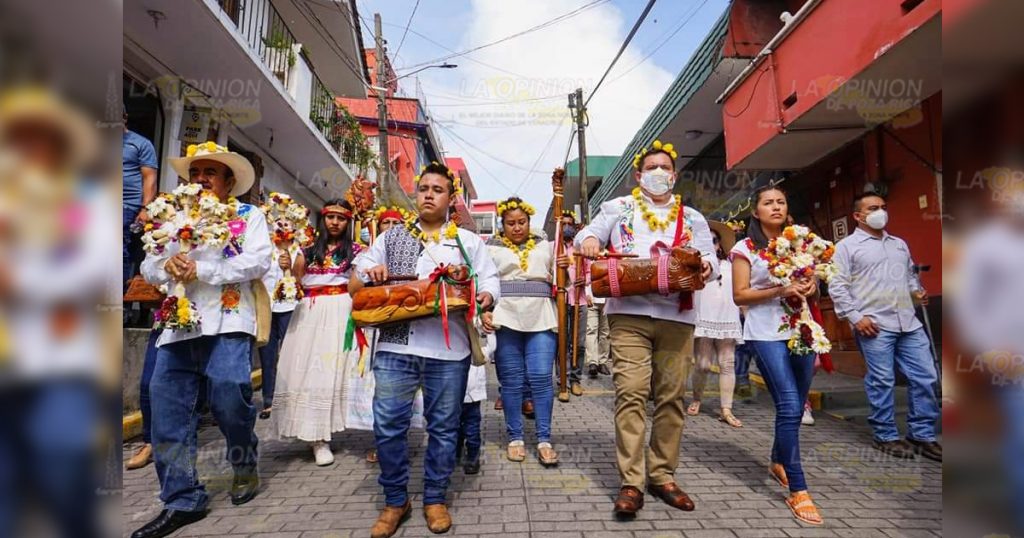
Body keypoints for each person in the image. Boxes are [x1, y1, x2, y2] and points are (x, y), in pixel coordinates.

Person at [351, 162, 500, 537]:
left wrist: (485, 296)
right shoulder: (391, 238)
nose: (429, 194)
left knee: (444, 429)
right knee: (387, 425)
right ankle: (395, 500)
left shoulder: (468, 242)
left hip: (448, 349)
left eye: (438, 189)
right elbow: (355, 280)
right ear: (417, 195)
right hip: (396, 345)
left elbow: (491, 282)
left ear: (451, 198)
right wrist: (372, 273)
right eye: (423, 188)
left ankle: (435, 498)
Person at [134, 142, 271, 538]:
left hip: (229, 321)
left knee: (230, 394)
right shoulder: (172, 216)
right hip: (178, 324)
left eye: (209, 173)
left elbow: (259, 261)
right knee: (167, 410)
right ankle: (182, 499)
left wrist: (203, 269)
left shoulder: (249, 215)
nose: (200, 180)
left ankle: (244, 461)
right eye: (195, 174)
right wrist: (166, 265)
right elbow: (149, 263)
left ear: (229, 182)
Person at [577, 140, 716, 517]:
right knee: (631, 393)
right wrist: (590, 240)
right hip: (629, 315)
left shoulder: (693, 218)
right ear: (638, 176)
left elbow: (712, 262)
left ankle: (662, 476)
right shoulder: (617, 208)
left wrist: (706, 267)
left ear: (674, 175)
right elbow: (585, 235)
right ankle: (631, 482)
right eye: (650, 168)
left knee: (671, 398)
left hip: (677, 317)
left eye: (664, 168)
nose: (658, 173)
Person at [731, 185, 823, 526]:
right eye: (767, 203)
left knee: (797, 405)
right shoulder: (746, 248)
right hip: (766, 332)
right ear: (755, 211)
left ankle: (777, 461)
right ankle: (798, 488)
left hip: (802, 329)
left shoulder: (801, 241)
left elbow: (811, 278)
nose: (775, 207)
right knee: (787, 404)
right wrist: (779, 290)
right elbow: (740, 295)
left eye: (781, 202)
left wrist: (811, 285)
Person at [829, 192, 941, 461]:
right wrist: (856, 318)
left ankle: (922, 434)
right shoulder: (847, 247)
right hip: (875, 325)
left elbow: (910, 275)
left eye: (882, 207)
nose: (880, 212)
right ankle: (886, 435)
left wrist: (918, 292)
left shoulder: (898, 244)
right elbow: (837, 285)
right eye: (872, 208)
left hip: (908, 322)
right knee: (882, 380)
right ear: (858, 216)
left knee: (926, 377)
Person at [271, 199, 358, 466]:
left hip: (341, 311)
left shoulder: (356, 251)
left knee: (335, 372)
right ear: (322, 220)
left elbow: (358, 285)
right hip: (309, 313)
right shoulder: (305, 251)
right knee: (307, 372)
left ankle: (329, 428)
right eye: (330, 217)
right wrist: (285, 266)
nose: (334, 222)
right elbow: (295, 284)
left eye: (340, 218)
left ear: (348, 222)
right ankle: (316, 438)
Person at [481, 196, 560, 466]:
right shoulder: (490, 248)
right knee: (512, 381)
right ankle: (515, 438)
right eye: (511, 223)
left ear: (529, 222)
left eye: (522, 222)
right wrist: (485, 311)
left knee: (540, 377)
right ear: (502, 225)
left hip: (541, 314)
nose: (517, 227)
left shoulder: (546, 246)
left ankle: (544, 439)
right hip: (507, 317)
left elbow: (562, 279)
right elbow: (481, 283)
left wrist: (564, 270)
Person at [688, 222, 743, 428]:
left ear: (720, 244)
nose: (711, 245)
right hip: (704, 319)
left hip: (727, 319)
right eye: (707, 241)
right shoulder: (696, 268)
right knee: (702, 365)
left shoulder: (732, 265)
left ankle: (726, 409)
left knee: (727, 364)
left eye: (714, 240)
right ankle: (697, 398)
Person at [256, 237, 301, 421]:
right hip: (265, 305)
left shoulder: (300, 249)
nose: (282, 227)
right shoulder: (262, 247)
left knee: (292, 353)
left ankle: (295, 398)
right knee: (267, 355)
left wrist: (290, 269)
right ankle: (269, 401)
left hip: (289, 307)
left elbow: (302, 278)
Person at [123, 107, 158, 288]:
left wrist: (145, 208)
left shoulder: (140, 143)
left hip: (126, 206)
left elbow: (149, 177)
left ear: (125, 118)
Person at [558, 210, 587, 400]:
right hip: (560, 302)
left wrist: (585, 279)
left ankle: (575, 380)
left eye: (570, 224)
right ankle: (562, 381)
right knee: (561, 343)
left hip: (580, 300)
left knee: (579, 343)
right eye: (564, 224)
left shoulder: (581, 247)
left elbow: (592, 271)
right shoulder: (554, 248)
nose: (567, 227)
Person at [586, 290, 610, 378]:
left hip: (608, 300)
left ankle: (602, 362)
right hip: (591, 299)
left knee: (606, 332)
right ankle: (593, 362)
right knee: (591, 330)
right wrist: (586, 293)